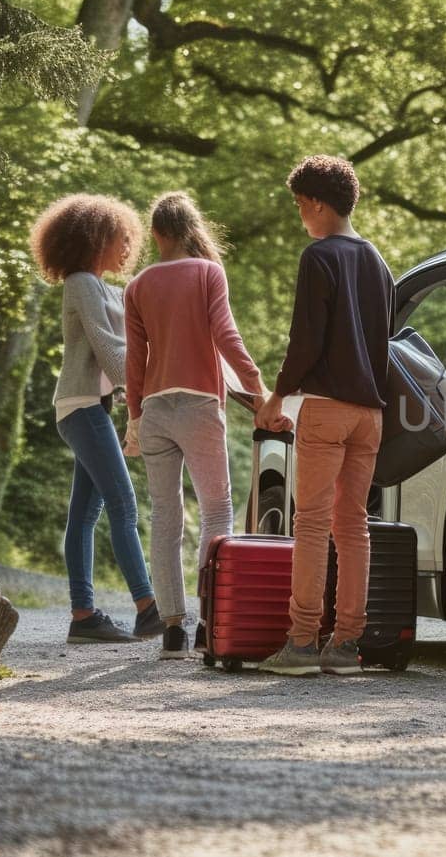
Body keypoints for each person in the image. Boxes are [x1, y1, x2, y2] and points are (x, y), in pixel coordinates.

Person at [255, 155, 395, 676]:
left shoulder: (319, 257)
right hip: (369, 415)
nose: (300, 216)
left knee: (311, 524)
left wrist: (277, 396)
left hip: (326, 410)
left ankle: (301, 643)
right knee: (353, 526)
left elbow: (305, 342)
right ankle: (346, 647)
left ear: (316, 203)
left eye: (299, 206)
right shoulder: (377, 261)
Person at [124, 192, 269, 659]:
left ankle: (171, 630)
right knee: (216, 511)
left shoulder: (137, 285)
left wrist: (133, 418)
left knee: (165, 518)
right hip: (200, 407)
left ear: (157, 234)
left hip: (154, 411)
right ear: (190, 229)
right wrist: (258, 387)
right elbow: (227, 336)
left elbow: (134, 361)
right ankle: (210, 623)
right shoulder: (208, 273)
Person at [30, 194, 160, 644]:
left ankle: (83, 616)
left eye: (130, 239)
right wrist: (150, 382)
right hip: (80, 405)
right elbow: (109, 349)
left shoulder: (111, 289)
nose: (128, 247)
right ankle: (147, 609)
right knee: (123, 503)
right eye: (120, 239)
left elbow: (137, 340)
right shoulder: (81, 283)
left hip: (94, 407)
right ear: (94, 239)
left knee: (85, 514)